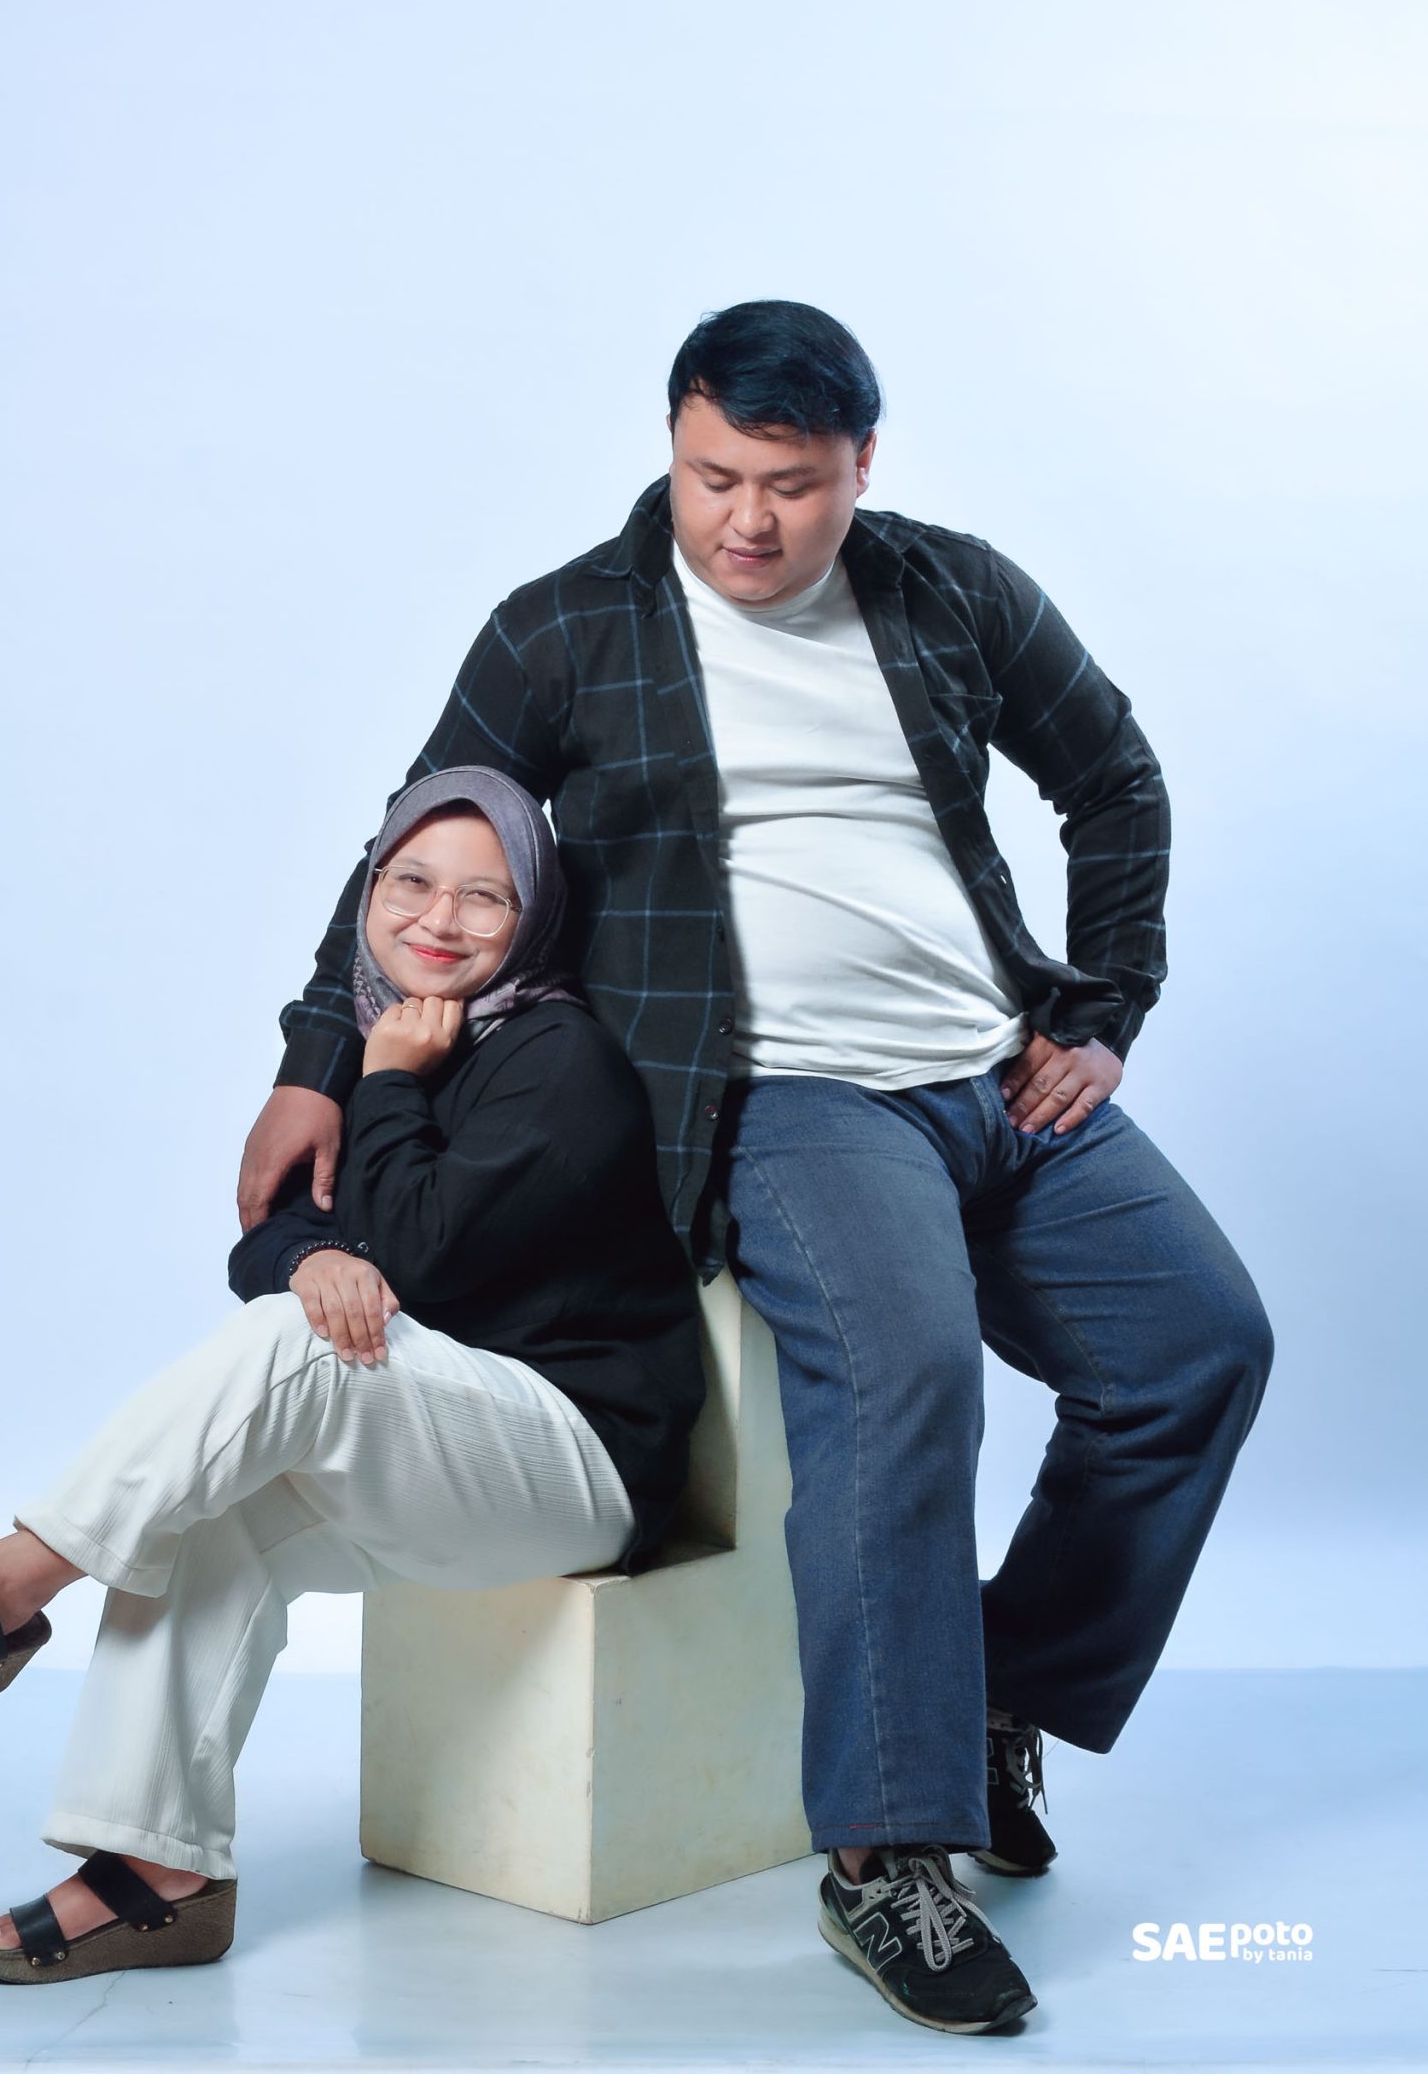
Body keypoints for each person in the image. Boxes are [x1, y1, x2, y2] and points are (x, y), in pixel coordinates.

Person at [243, 299, 1274, 2039]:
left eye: (790, 486)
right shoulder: (567, 627)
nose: (745, 519)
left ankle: (1000, 1696)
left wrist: (1098, 1011)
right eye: (712, 475)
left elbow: (1112, 778)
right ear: (672, 443)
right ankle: (882, 1857)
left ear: (860, 465)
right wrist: (313, 1058)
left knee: (1196, 1346)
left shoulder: (950, 591)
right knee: (903, 1373)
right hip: (783, 1098)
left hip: (992, 1072)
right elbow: (411, 844)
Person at [0, 766, 703, 1986]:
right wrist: (317, 1252)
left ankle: (11, 1584)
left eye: (484, 897)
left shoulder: (559, 1059)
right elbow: (269, 1236)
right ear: (369, 892)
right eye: (410, 882)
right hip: (443, 1445)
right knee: (207, 1505)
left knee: (300, 1344)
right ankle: (157, 1872)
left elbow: (424, 1254)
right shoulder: (395, 1033)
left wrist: (385, 1086)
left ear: (534, 913)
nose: (438, 919)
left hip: (579, 1459)